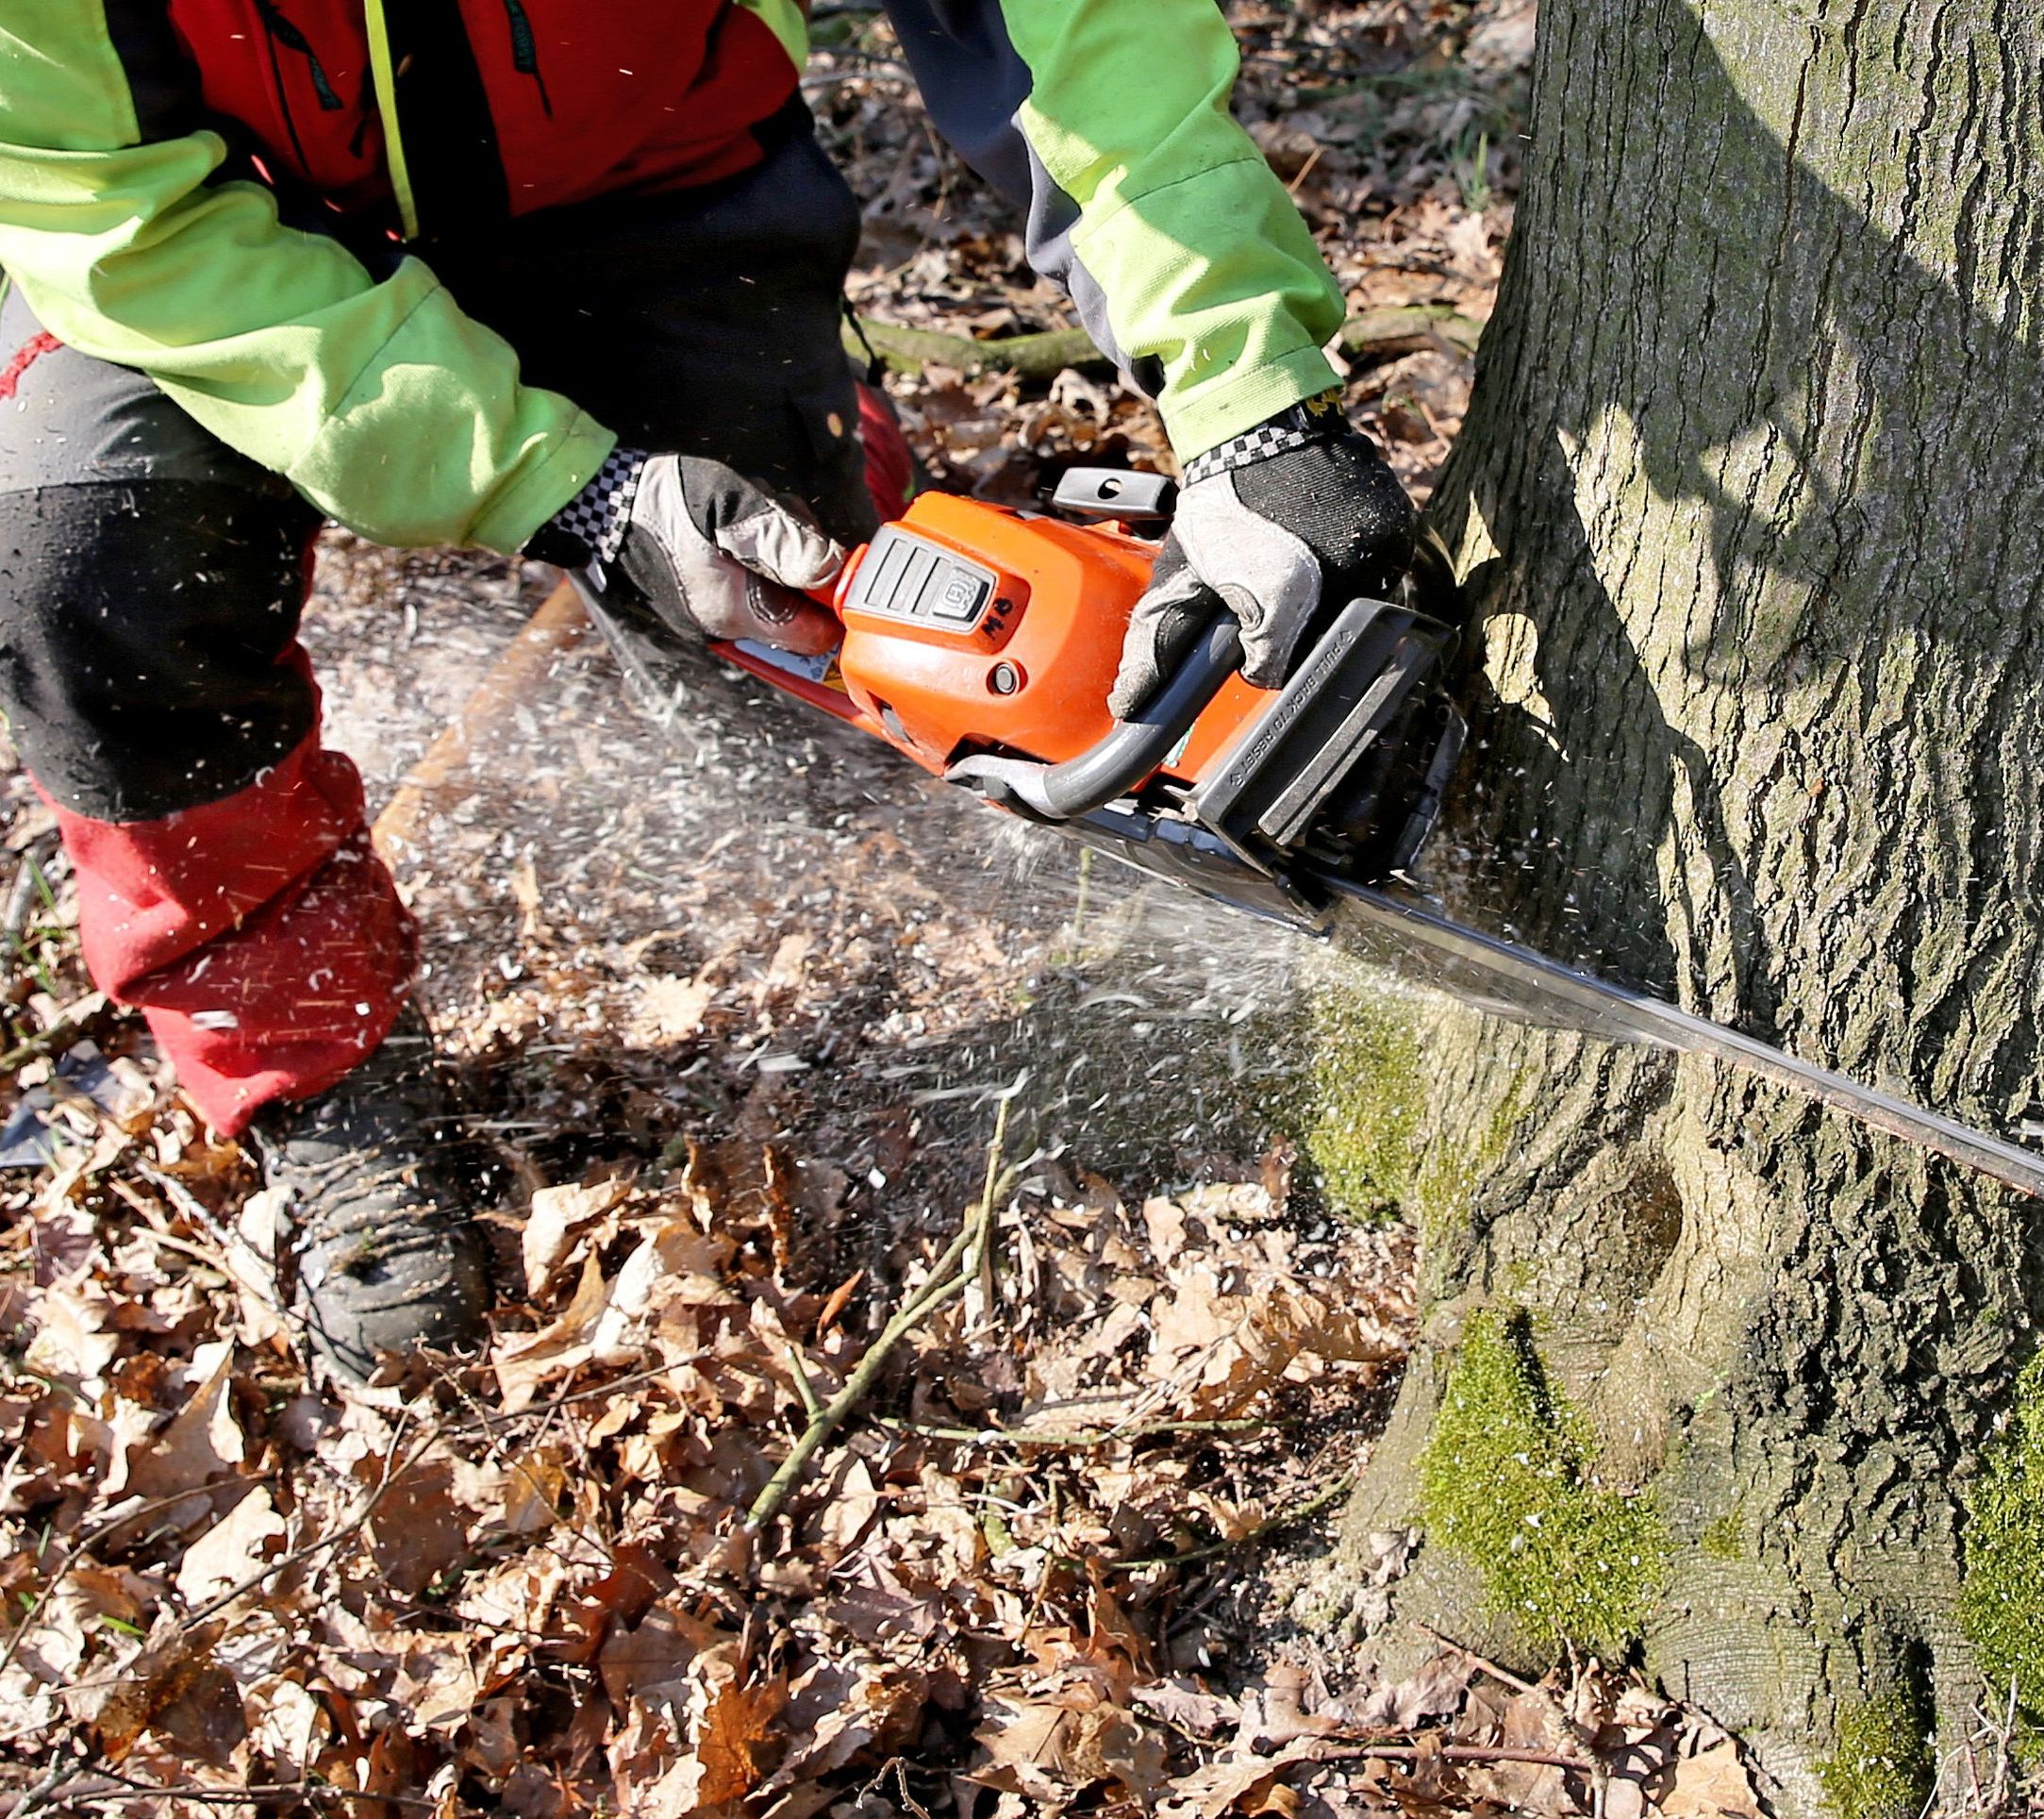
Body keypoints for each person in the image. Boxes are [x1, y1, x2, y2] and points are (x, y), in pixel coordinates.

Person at [0, 1, 1414, 1379]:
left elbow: (1072, 24)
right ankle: (318, 1083)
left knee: (797, 638)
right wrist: (571, 490)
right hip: (207, 238)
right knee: (81, 566)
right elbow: (120, 214)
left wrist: (1251, 397)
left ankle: (881, 622)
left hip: (643, 169)